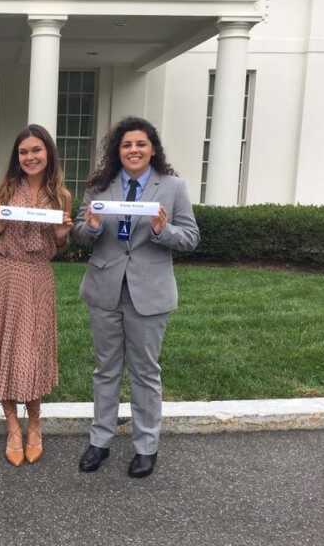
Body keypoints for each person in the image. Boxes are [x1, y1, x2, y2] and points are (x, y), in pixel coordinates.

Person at [72, 116, 200, 478]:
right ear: (118, 150)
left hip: (150, 292)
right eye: (126, 144)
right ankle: (100, 440)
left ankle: (146, 446)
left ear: (153, 149)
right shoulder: (100, 187)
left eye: (140, 144)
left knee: (145, 371)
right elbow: (80, 233)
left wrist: (164, 230)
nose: (133, 150)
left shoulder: (172, 187)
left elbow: (190, 237)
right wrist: (91, 229)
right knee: (106, 368)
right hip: (105, 289)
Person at [0, 124, 72, 466]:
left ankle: (35, 423)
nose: (30, 157)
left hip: (37, 276)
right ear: (17, 157)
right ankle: (13, 426)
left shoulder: (62, 195)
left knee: (33, 350)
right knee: (4, 350)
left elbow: (60, 242)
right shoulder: (6, 188)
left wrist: (61, 234)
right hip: (3, 273)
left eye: (36, 150)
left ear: (48, 153)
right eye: (24, 152)